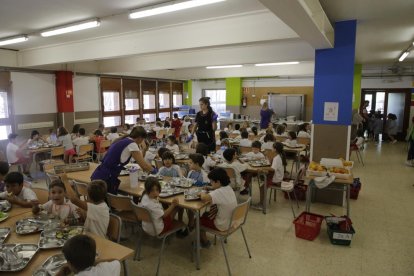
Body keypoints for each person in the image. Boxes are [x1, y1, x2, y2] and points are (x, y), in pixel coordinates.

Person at [91, 126, 154, 194]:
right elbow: (144, 165)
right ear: (140, 138)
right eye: (143, 139)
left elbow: (139, 159)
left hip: (99, 173)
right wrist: (155, 171)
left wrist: (144, 150)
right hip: (106, 178)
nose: (142, 141)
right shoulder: (132, 144)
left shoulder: (122, 140)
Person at [199, 168, 237, 248]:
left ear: (218, 182)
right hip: (232, 222)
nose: (211, 183)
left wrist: (202, 192)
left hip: (221, 225)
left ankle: (204, 242)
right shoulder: (229, 188)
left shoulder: (218, 192)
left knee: (198, 221)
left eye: (212, 181)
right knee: (206, 214)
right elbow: (218, 190)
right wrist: (211, 188)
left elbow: (204, 198)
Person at [256, 142, 287, 208]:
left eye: (272, 147)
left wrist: (262, 167)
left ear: (275, 149)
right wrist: (266, 156)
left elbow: (272, 169)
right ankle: (261, 202)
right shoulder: (279, 156)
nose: (271, 148)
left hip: (276, 179)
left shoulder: (277, 158)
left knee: (262, 187)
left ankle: (261, 204)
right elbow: (272, 163)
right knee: (263, 176)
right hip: (278, 177)